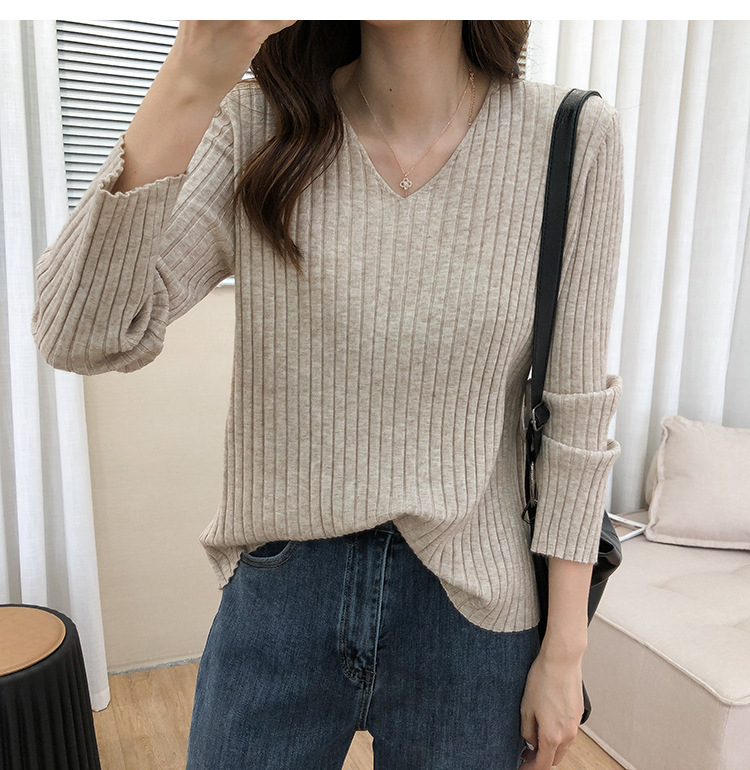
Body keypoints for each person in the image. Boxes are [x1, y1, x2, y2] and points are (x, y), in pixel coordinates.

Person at [30, 20, 624, 770]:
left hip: (471, 605)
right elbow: (78, 335)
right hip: (283, 589)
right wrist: (194, 71)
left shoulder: (569, 136)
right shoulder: (257, 126)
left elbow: (574, 412)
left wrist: (565, 652)